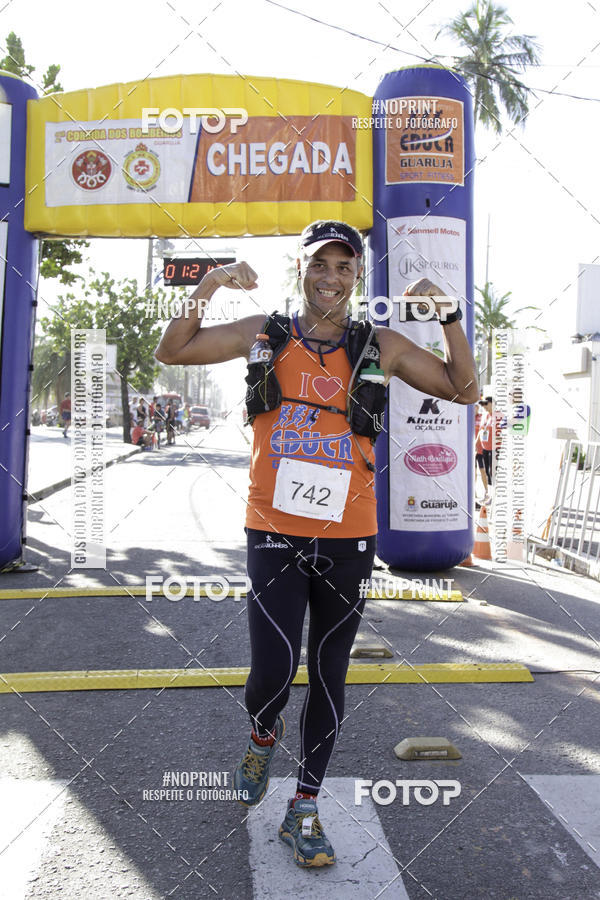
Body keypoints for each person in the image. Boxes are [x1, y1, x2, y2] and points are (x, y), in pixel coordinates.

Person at [155, 220, 478, 868]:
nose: (331, 277)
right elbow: (173, 349)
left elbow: (462, 389)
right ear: (299, 268)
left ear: (357, 276)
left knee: (329, 673)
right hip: (272, 530)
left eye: (344, 267)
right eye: (319, 264)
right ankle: (261, 732)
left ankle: (304, 806)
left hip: (350, 538)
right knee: (272, 671)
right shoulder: (264, 332)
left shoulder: (378, 345)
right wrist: (211, 281)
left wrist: (445, 314)